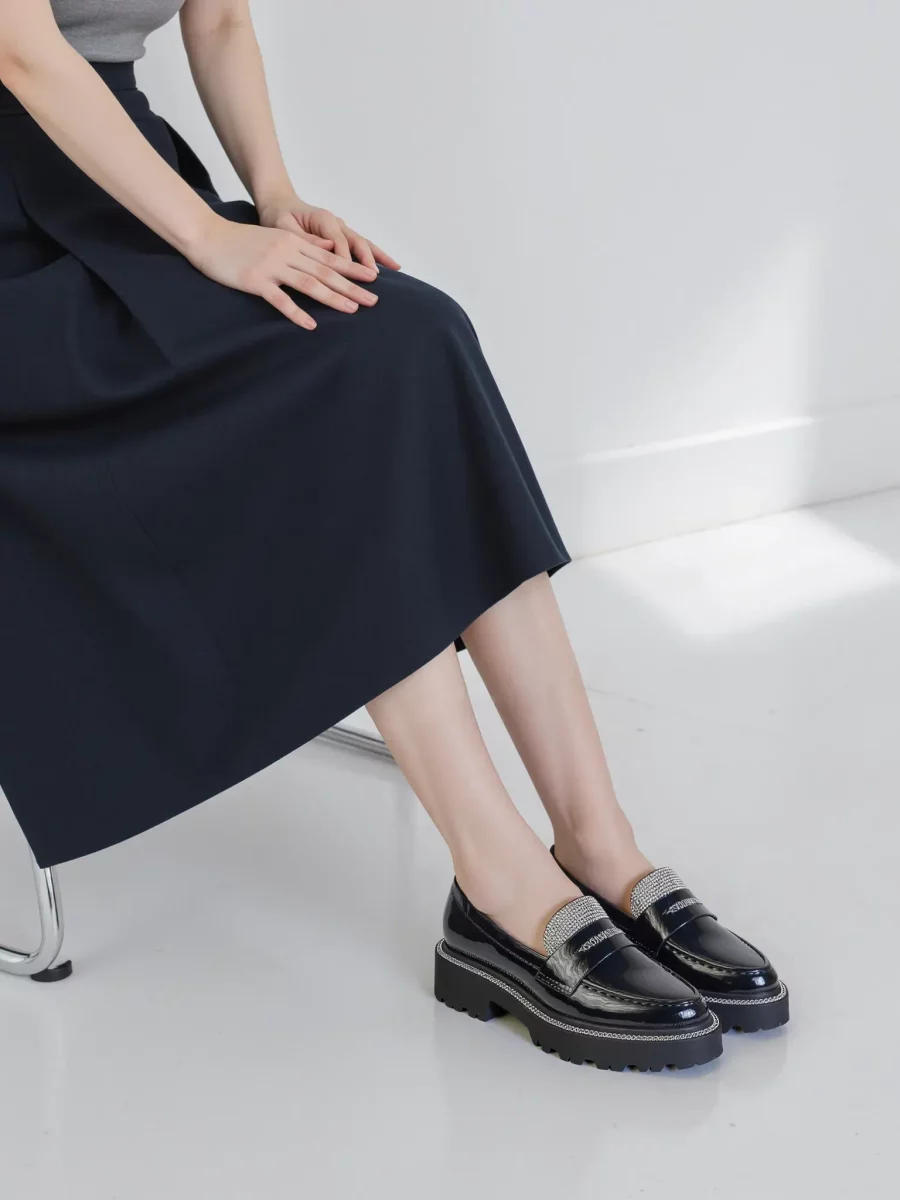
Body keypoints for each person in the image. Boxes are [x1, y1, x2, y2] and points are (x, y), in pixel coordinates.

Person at [0, 0, 787, 1070]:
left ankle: (600, 844)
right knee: (337, 392)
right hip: (26, 238)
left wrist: (273, 197)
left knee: (416, 334)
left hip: (121, 187)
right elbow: (21, 49)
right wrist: (213, 239)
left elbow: (218, 20)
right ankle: (500, 882)